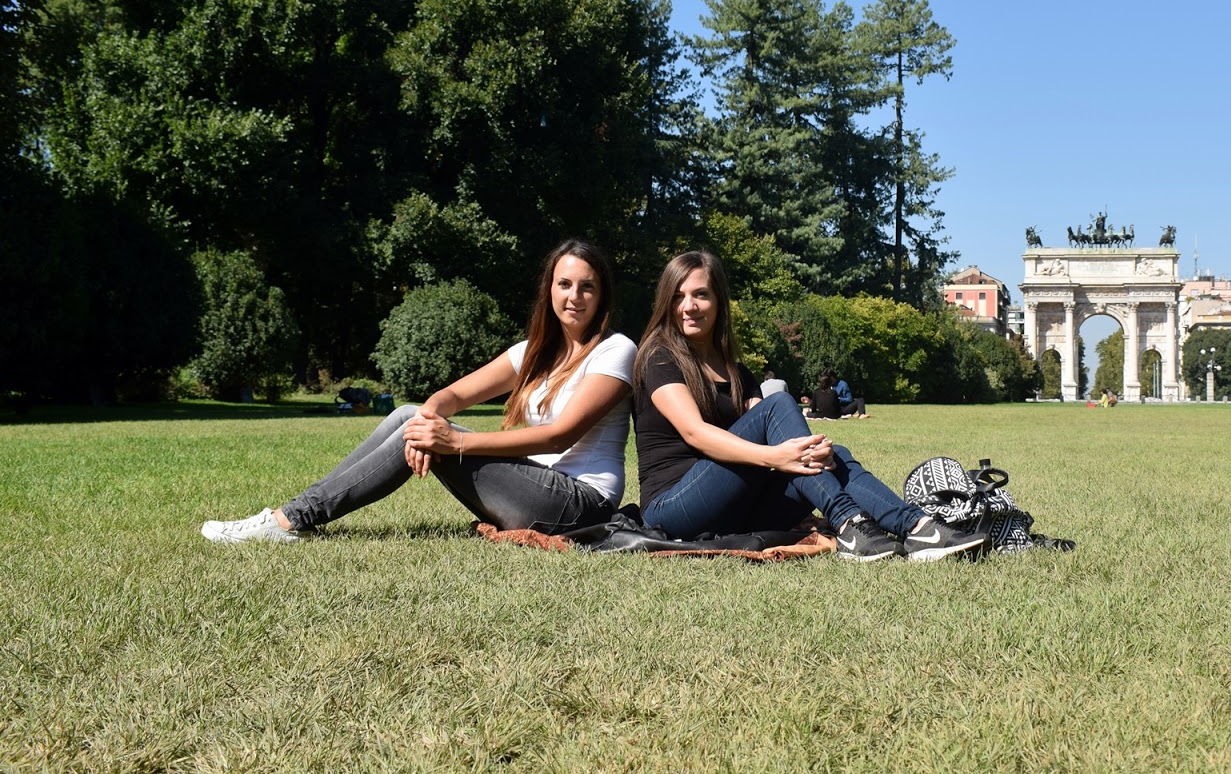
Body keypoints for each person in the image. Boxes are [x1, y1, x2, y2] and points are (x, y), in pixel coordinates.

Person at [202, 239, 635, 543]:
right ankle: (297, 515)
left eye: (587, 286)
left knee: (417, 423)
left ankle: (291, 520)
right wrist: (431, 422)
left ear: (601, 296)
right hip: (536, 485)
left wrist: (456, 441)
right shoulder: (533, 352)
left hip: (580, 505)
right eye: (564, 284)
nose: (574, 296)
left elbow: (559, 436)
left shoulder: (616, 351)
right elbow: (449, 397)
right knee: (411, 413)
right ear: (549, 291)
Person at [632, 250, 987, 563]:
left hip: (734, 508)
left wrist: (807, 452)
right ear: (666, 302)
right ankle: (848, 522)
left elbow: (771, 431)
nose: (688, 306)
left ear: (719, 301)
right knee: (779, 405)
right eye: (678, 296)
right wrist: (776, 458)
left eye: (700, 295)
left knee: (837, 455)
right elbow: (695, 433)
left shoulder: (735, 369)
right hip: (673, 508)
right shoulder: (659, 357)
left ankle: (917, 528)